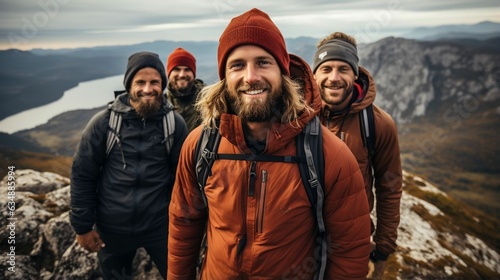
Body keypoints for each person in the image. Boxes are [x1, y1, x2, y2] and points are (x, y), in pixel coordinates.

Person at [168, 8, 371, 279]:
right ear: (224, 78)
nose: (251, 77)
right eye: (237, 65)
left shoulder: (329, 155)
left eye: (263, 62)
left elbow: (348, 251)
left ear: (283, 72)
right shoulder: (201, 145)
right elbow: (184, 226)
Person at [70, 51, 188, 279]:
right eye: (140, 82)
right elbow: (83, 174)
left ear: (162, 85)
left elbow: (184, 178)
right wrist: (83, 227)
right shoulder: (104, 123)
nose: (147, 89)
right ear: (128, 85)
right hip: (113, 230)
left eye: (154, 82)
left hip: (160, 227)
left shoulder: (174, 124)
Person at [312, 32, 403, 279]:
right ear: (314, 75)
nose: (334, 78)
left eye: (343, 69)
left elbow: (390, 186)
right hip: (300, 240)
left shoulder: (377, 124)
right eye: (326, 68)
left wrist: (383, 247)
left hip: (350, 243)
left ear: (355, 74)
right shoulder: (297, 117)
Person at [165, 47, 205, 131]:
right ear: (169, 73)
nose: (182, 75)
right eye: (177, 69)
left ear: (193, 73)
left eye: (187, 69)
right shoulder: (162, 104)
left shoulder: (208, 102)